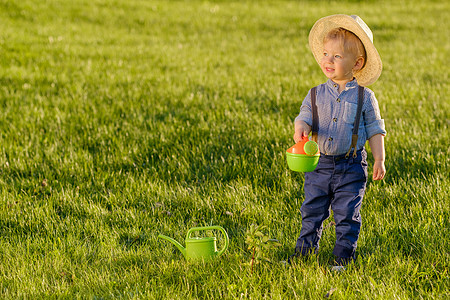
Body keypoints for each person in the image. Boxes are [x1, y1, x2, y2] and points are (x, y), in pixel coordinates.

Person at [289, 15, 386, 268]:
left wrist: (379, 158)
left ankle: (343, 257)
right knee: (312, 210)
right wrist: (301, 128)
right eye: (325, 54)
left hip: (351, 166)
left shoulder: (366, 97)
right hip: (319, 165)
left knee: (346, 215)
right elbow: (304, 117)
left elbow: (375, 129)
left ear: (357, 63)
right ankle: (304, 253)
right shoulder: (315, 93)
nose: (327, 61)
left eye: (337, 56)